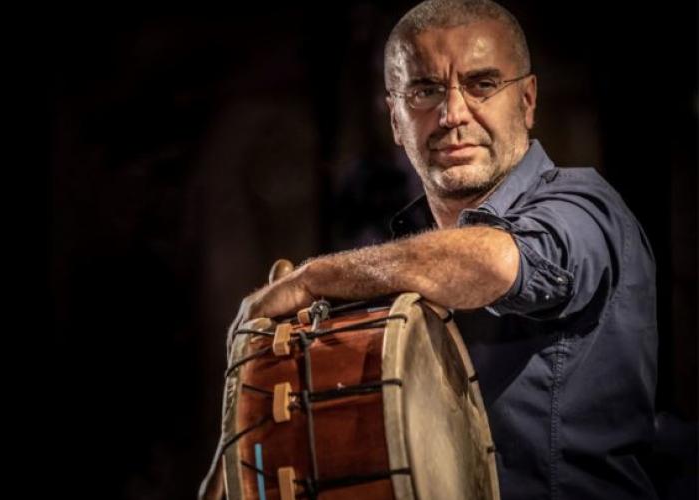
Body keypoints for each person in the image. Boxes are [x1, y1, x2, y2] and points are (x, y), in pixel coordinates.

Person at [201, 1, 658, 498]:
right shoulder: (403, 265)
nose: (452, 114)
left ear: (527, 101)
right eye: (425, 91)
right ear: (396, 121)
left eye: (482, 84)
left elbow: (493, 262)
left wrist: (310, 279)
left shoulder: (586, 207)